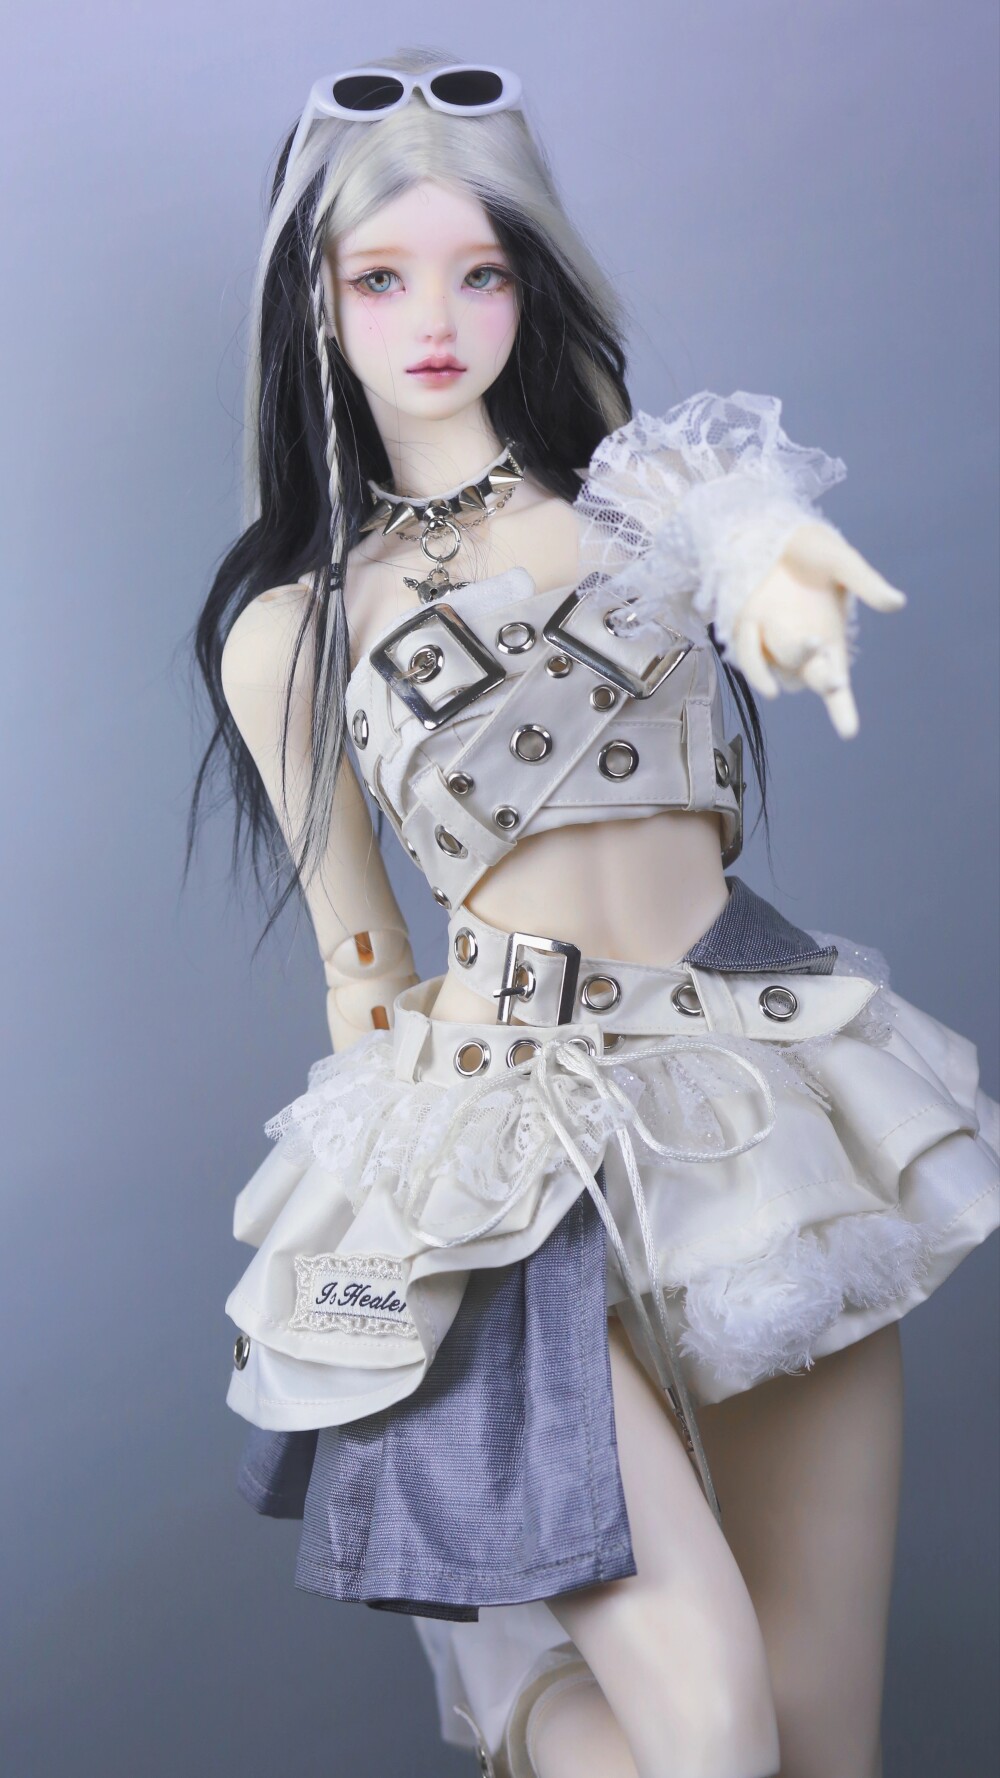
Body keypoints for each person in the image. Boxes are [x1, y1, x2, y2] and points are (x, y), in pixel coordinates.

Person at [189, 52, 1000, 1778]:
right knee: (706, 1738)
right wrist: (380, 1240)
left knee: (822, 1744)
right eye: (380, 277)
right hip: (511, 1144)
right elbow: (361, 964)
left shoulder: (651, 498)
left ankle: (524, 1692)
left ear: (529, 279)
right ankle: (525, 1692)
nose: (435, 321)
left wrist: (775, 578)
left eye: (478, 271)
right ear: (314, 300)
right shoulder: (294, 629)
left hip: (763, 1109)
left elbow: (750, 541)